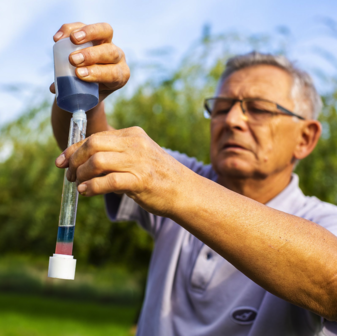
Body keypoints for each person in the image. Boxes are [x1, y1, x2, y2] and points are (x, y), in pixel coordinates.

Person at [51, 22, 337, 336]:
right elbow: (89, 147)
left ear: (305, 138)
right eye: (222, 107)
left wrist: (175, 187)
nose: (231, 120)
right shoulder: (186, 176)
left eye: (258, 109)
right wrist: (89, 94)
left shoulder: (321, 220)